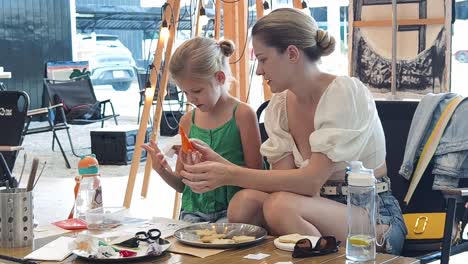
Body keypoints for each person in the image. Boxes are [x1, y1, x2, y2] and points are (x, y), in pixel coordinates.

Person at [178, 8, 407, 255]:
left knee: (280, 206)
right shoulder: (279, 107)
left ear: (292, 54)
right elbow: (283, 183)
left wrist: (229, 174)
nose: (259, 71)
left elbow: (310, 181)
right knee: (243, 203)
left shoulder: (344, 93)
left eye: (263, 59)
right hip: (312, 205)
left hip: (372, 216)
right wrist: (218, 163)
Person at [142, 37, 264, 223]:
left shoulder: (242, 114)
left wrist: (218, 166)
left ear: (220, 78)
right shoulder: (187, 121)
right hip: (193, 212)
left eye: (197, 91)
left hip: (235, 211)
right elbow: (183, 185)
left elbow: (257, 176)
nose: (191, 98)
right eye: (185, 93)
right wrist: (162, 170)